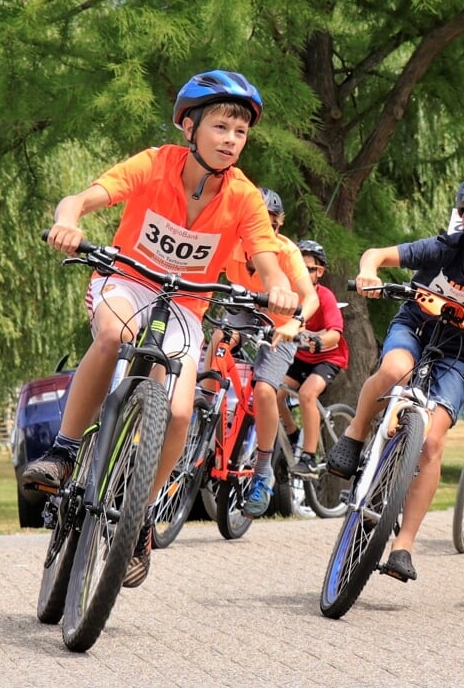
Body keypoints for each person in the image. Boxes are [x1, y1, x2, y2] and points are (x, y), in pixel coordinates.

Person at [26, 70, 298, 587]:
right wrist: (70, 222)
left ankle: (141, 517)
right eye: (220, 127)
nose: (231, 141)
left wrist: (279, 286)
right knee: (111, 337)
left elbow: (267, 259)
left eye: (240, 133)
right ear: (188, 127)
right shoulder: (154, 164)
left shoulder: (243, 196)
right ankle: (62, 454)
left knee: (177, 410)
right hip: (126, 282)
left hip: (185, 307)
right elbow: (81, 200)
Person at [333, 172, 464, 584]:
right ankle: (356, 433)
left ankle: (404, 545)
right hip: (414, 330)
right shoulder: (442, 248)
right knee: (392, 371)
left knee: (431, 442)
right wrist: (369, 274)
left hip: (458, 356)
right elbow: (375, 254)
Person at [221, 188, 318, 519]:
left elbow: (310, 297)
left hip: (281, 325)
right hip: (242, 308)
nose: (266, 233)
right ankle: (203, 418)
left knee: (265, 389)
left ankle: (263, 471)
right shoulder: (228, 243)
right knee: (216, 344)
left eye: (273, 225)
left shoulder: (287, 252)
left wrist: (296, 323)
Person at [281, 239, 345, 477]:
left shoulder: (325, 297)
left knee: (308, 394)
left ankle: (309, 457)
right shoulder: (289, 296)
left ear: (320, 272)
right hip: (301, 357)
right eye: (298, 266)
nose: (302, 273)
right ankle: (292, 434)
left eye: (308, 268)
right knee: (274, 392)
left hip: (328, 358)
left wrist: (318, 341)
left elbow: (335, 334)